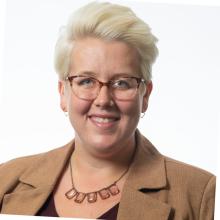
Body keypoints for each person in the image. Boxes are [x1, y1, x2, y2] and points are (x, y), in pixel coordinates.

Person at [0, 1, 215, 219]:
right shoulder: (6, 179)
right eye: (86, 81)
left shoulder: (200, 194)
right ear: (62, 93)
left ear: (145, 95)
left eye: (122, 83)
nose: (103, 100)